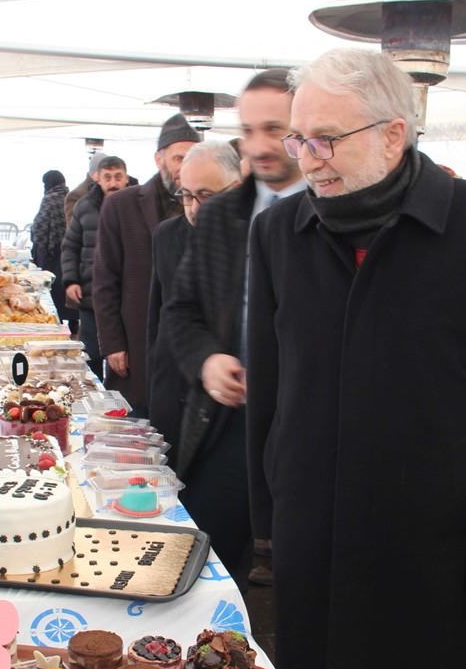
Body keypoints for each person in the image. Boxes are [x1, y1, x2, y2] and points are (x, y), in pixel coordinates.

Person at [246, 48, 466, 669]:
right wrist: (269, 520)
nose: (308, 159)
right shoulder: (278, 235)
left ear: (394, 134)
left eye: (327, 139)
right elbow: (270, 385)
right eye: (298, 139)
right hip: (314, 527)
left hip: (432, 539)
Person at [164, 68, 307, 591]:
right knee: (202, 562)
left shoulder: (339, 212)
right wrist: (207, 360)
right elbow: (180, 310)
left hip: (308, 430)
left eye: (275, 128)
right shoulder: (223, 216)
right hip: (228, 423)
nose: (260, 145)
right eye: (248, 131)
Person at [147, 141, 242, 486]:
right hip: (172, 391)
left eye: (206, 195)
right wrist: (154, 389)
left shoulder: (259, 237)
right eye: (186, 195)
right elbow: (157, 320)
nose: (194, 207)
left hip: (225, 405)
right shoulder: (167, 235)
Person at [94, 114, 202, 414]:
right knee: (137, 430)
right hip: (137, 337)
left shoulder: (209, 204)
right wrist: (113, 343)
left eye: (192, 157)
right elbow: (105, 279)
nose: (184, 166)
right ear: (159, 159)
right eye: (178, 157)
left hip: (188, 342)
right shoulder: (122, 204)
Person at [61, 155, 129, 380]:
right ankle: (96, 398)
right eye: (107, 177)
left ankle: (122, 404)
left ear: (126, 178)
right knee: (91, 353)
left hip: (127, 296)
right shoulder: (85, 206)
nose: (113, 183)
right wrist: (71, 280)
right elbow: (70, 246)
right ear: (97, 179)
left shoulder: (137, 205)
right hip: (91, 295)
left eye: (118, 177)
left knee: (124, 355)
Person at [31, 169, 73, 328]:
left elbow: (40, 226)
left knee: (53, 288)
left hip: (53, 252)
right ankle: (73, 320)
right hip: (70, 251)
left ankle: (57, 320)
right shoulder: (71, 197)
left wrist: (38, 252)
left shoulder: (49, 199)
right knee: (67, 285)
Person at [65, 151, 107, 226]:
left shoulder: (107, 190)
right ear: (95, 174)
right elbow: (72, 229)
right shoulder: (76, 195)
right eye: (105, 174)